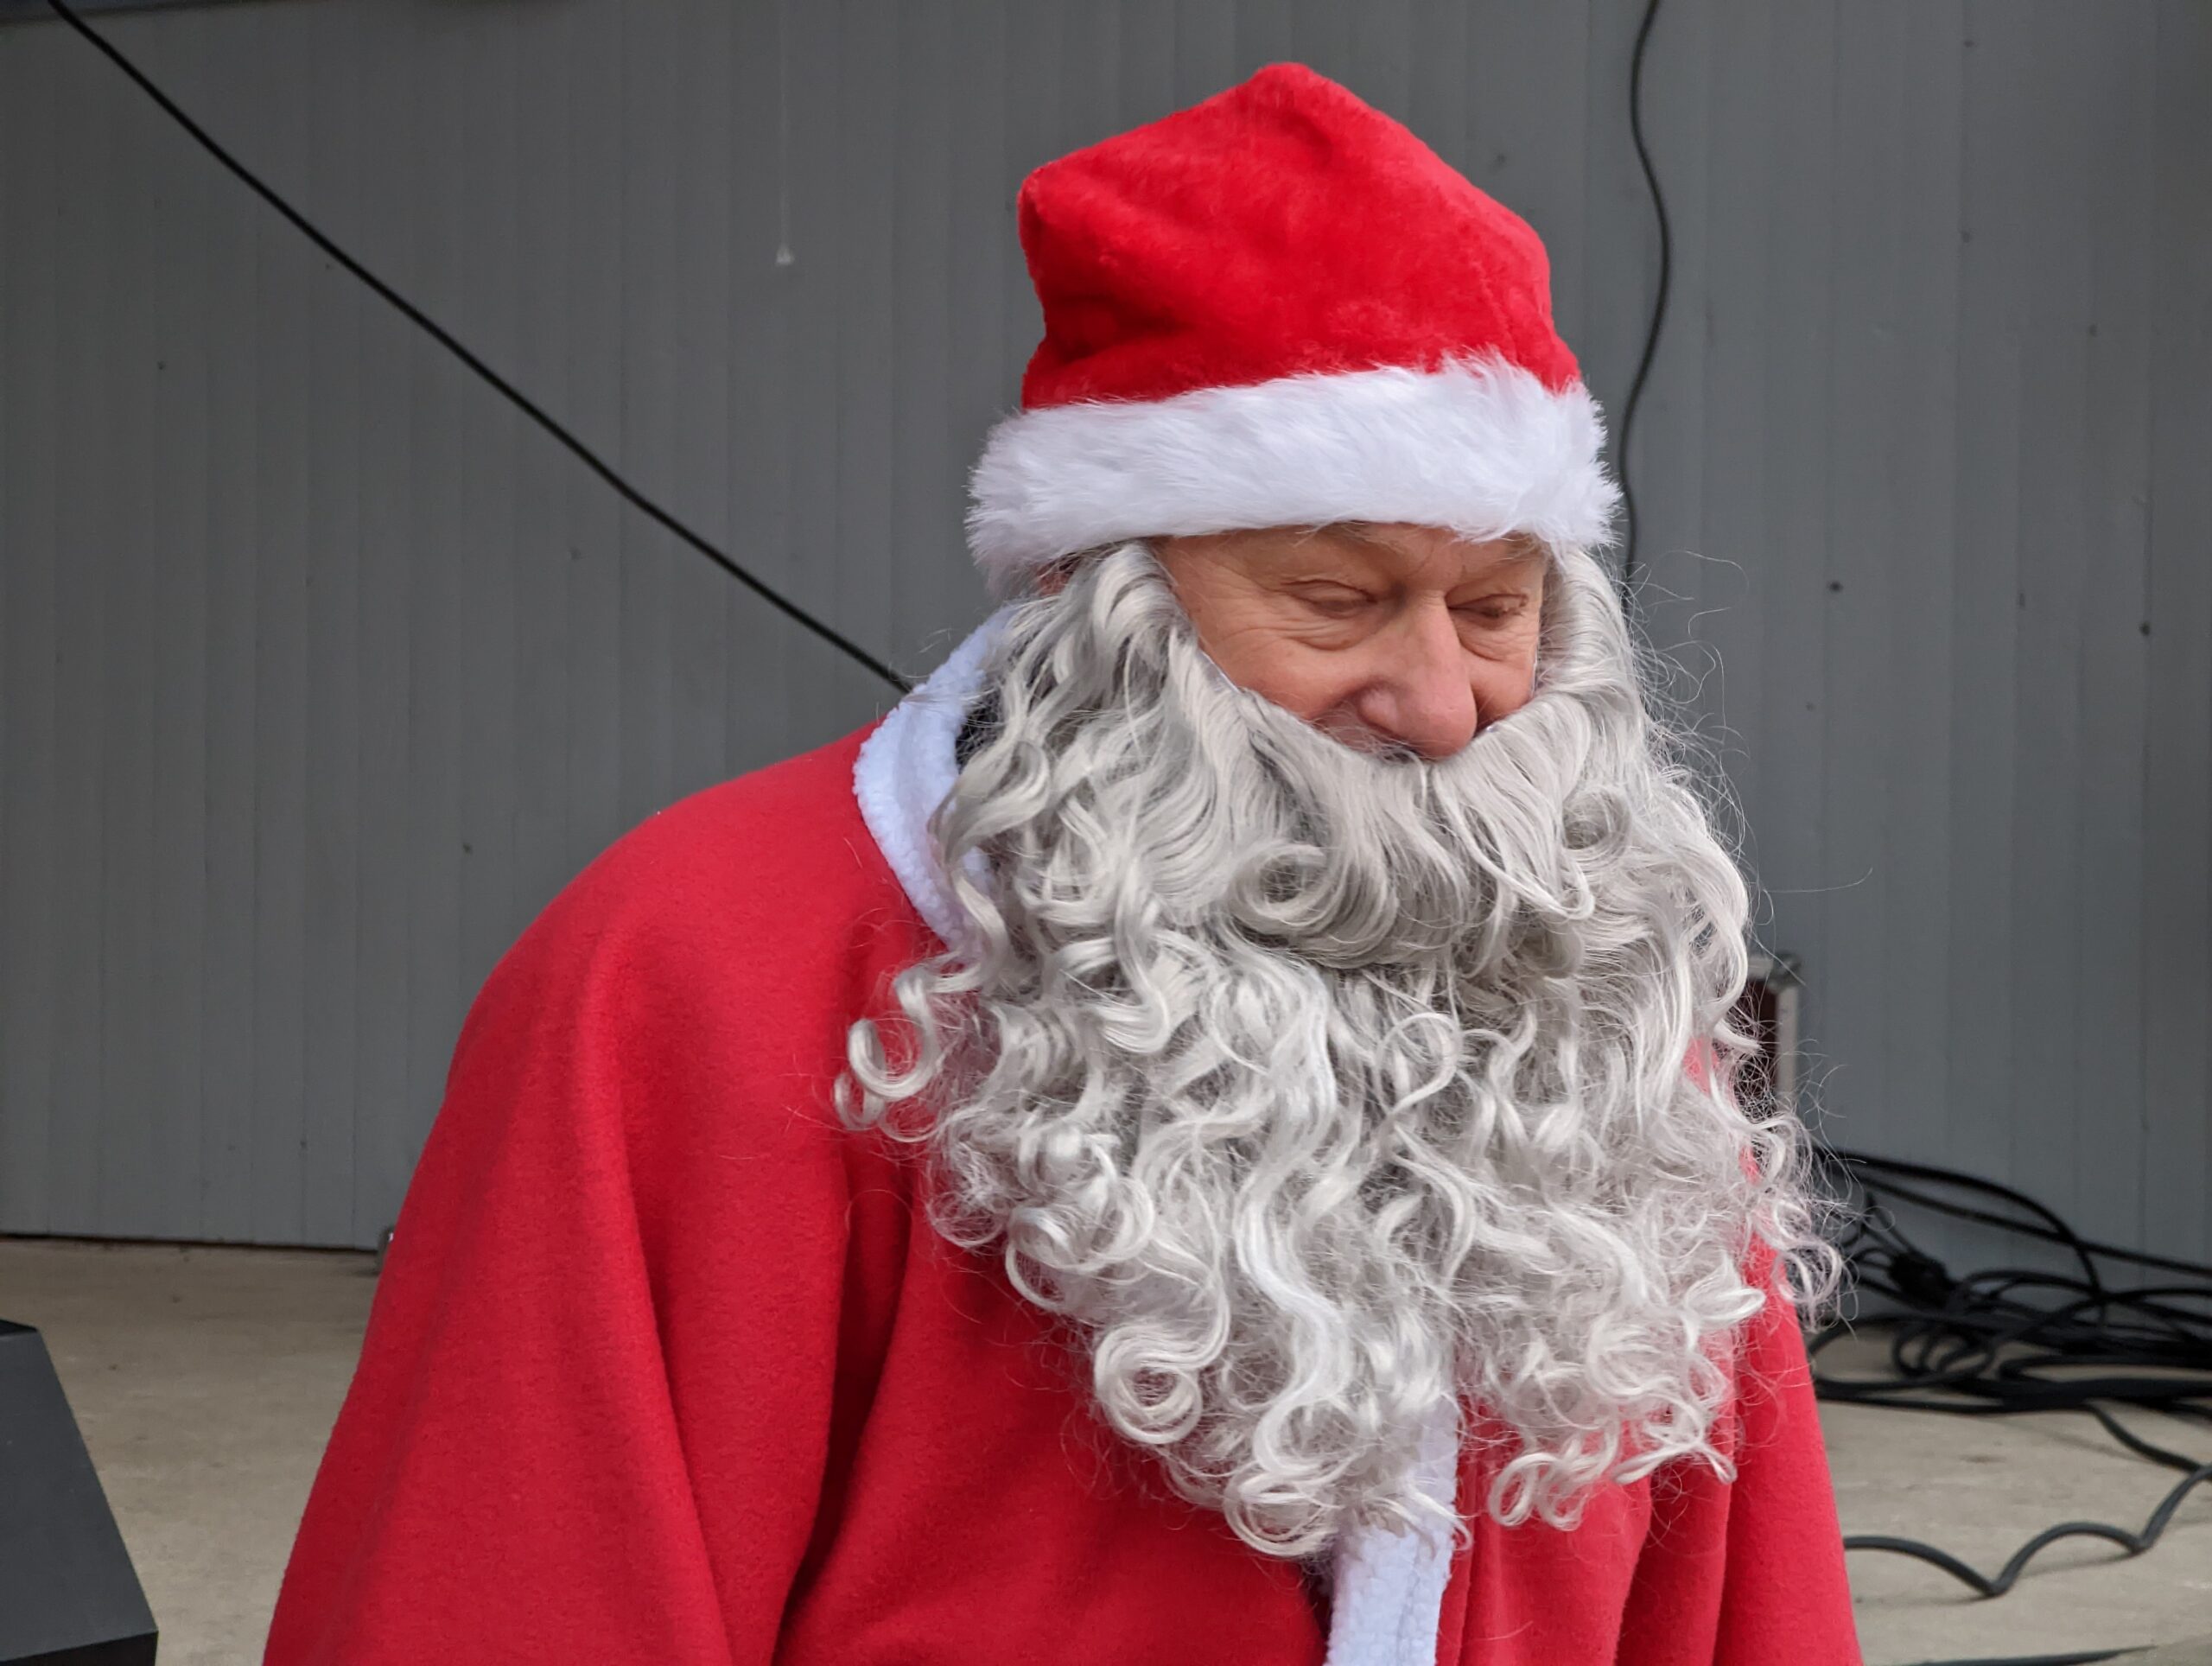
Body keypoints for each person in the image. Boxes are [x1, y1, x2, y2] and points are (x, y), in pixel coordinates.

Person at [265, 62, 1859, 1666]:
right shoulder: (689, 975)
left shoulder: (1578, 989)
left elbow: (1741, 1600)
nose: (1444, 706)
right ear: (1107, 602)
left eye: (1499, 608)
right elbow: (514, 1585)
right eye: (1335, 601)